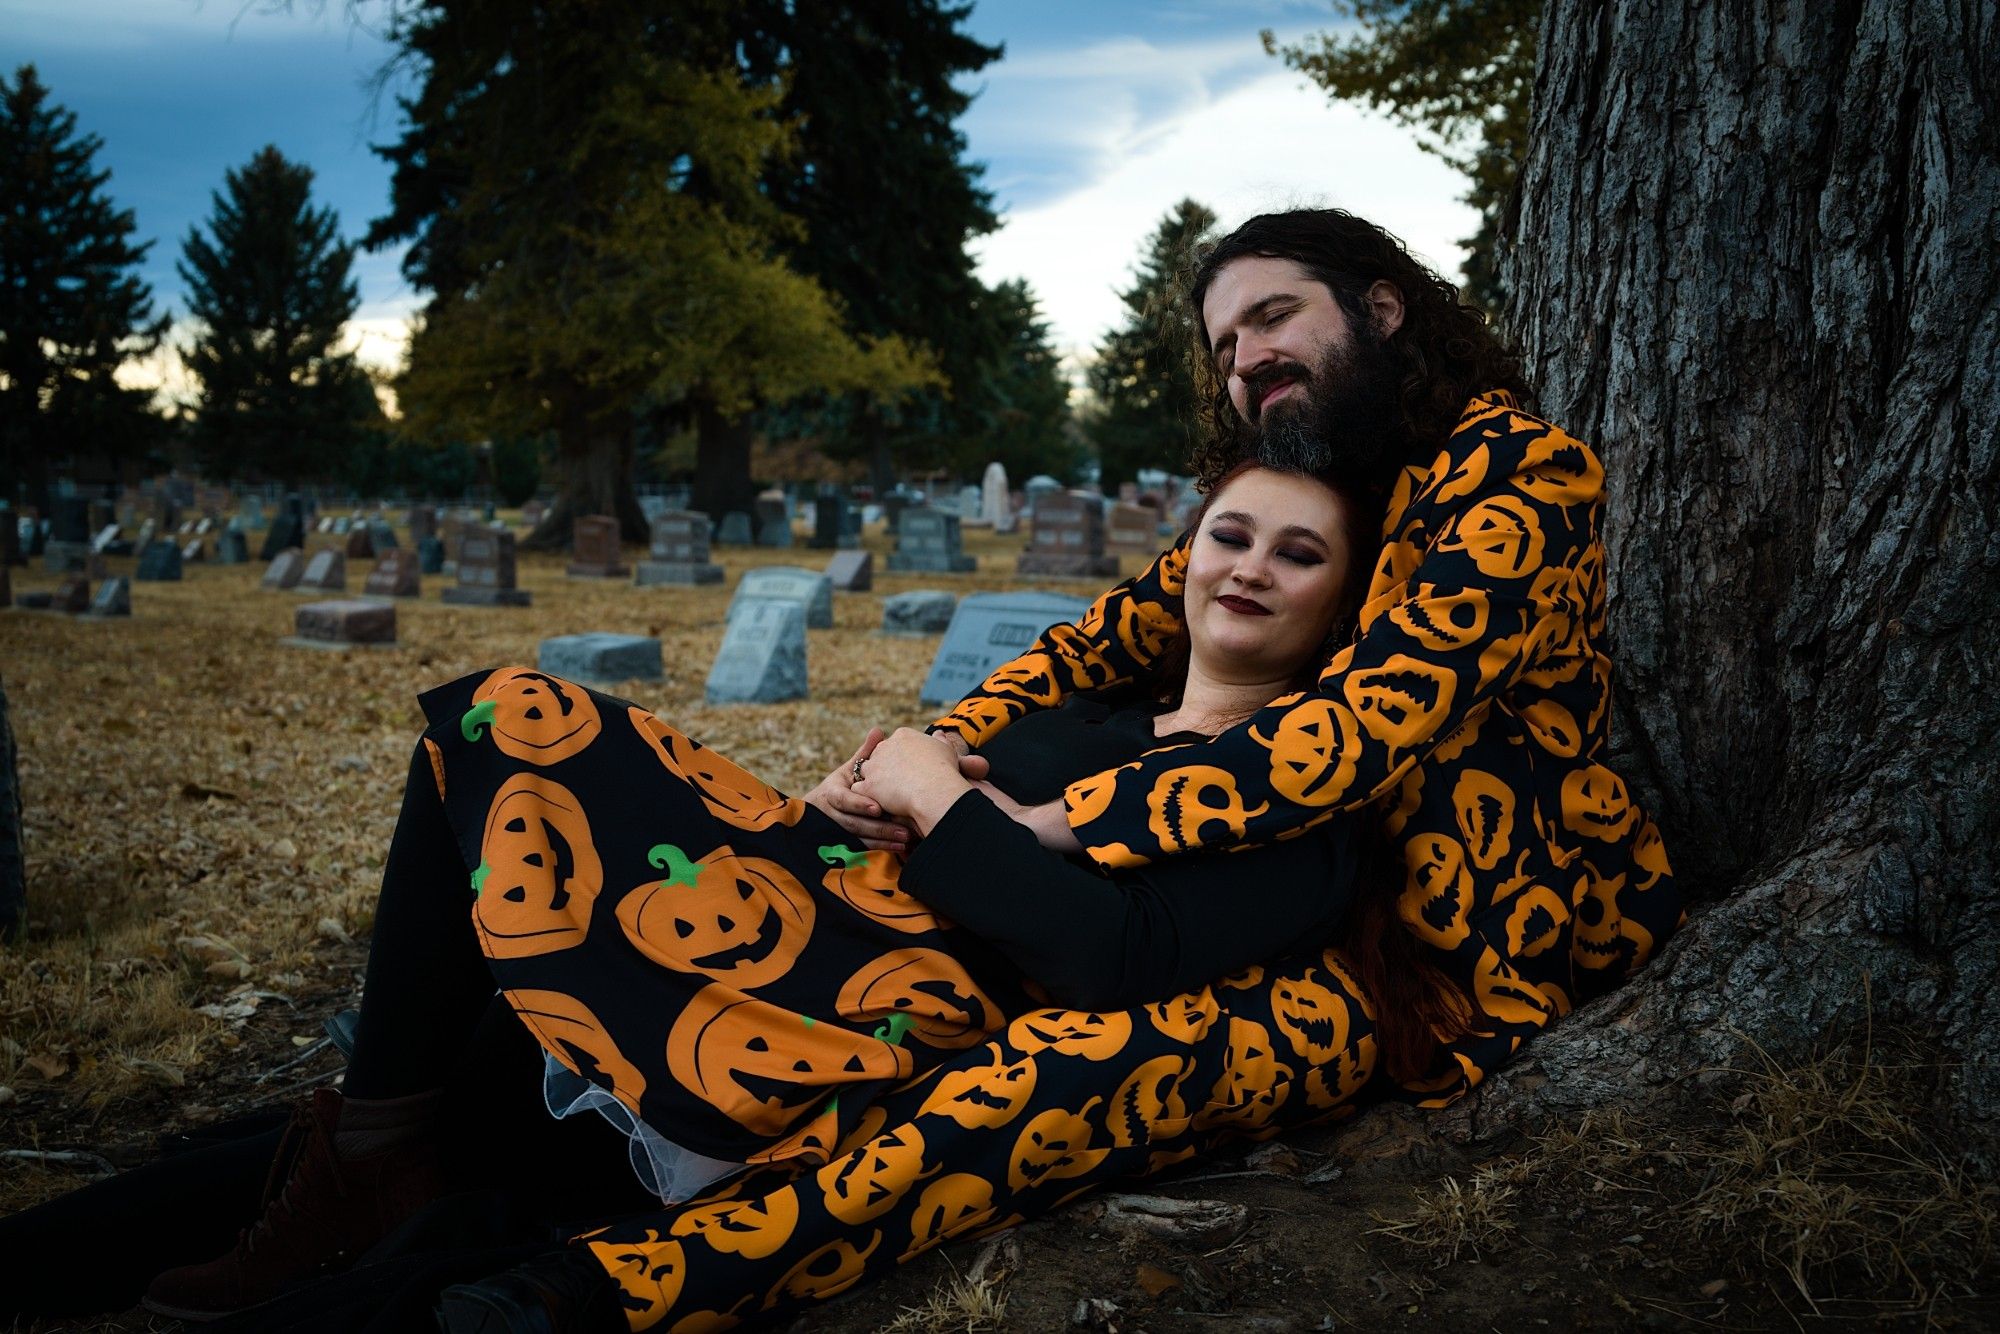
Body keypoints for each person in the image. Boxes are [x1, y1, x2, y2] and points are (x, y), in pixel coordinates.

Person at [490, 206, 1682, 1331]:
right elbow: (1094, 643)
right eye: (1224, 343)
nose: (1245, 357)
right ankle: (542, 1134)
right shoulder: (1319, 482)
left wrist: (1050, 818)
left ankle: (623, 1287)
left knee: (1067, 1074)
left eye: (1272, 316)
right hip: (1253, 884)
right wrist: (919, 755)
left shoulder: (1518, 476)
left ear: (1381, 309)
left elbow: (1351, 737)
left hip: (1430, 961)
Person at [0, 459, 1382, 1330]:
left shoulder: (1307, 795)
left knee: (489, 1126)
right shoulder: (1090, 714)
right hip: (782, 895)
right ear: (1187, 554)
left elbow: (1115, 956)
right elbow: (911, 805)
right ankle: (367, 1148)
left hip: (857, 1004)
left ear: (1342, 606)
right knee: (499, 720)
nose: (1248, 564)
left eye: (1296, 551)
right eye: (1229, 532)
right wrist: (869, 790)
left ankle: (373, 1162)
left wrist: (943, 799)